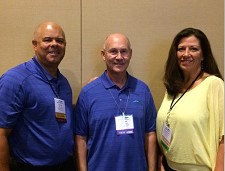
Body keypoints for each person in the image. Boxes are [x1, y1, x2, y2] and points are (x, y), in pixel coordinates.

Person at [74, 33, 157, 171]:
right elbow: (80, 138)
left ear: (130, 54)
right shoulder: (88, 93)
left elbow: (150, 133)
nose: (119, 57)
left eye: (124, 51)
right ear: (103, 55)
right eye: (113, 51)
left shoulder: (143, 90)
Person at [0, 21, 75, 171]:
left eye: (59, 41)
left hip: (65, 165)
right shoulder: (15, 80)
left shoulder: (64, 83)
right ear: (35, 45)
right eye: (47, 40)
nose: (54, 44)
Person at [156, 28, 224, 171]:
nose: (186, 54)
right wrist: (162, 159)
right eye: (181, 49)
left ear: (203, 55)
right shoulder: (172, 87)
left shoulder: (213, 84)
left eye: (193, 49)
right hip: (169, 166)